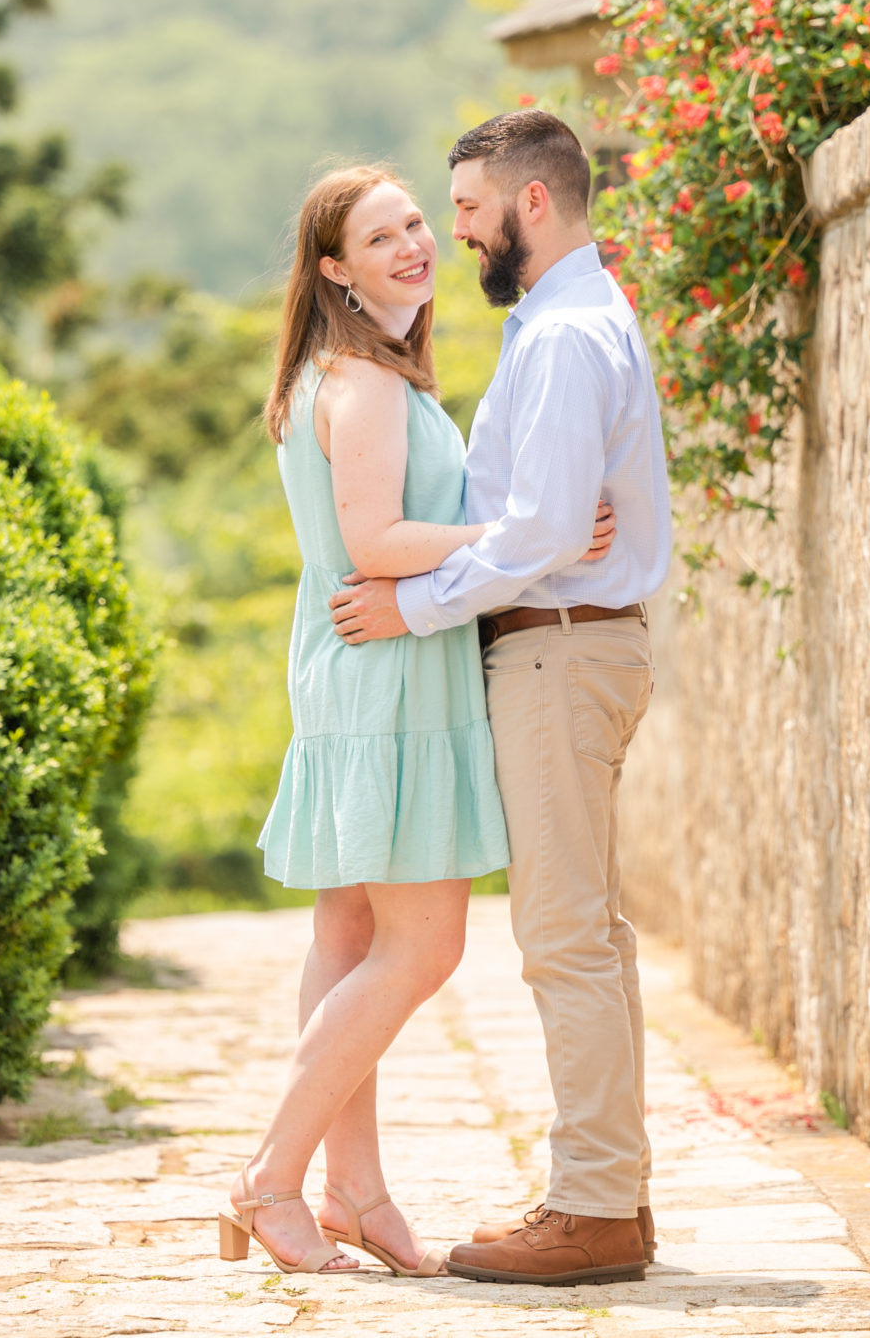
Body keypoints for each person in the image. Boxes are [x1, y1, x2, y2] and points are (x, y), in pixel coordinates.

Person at [216, 164, 616, 1278]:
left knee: (345, 936)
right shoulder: (370, 384)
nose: (410, 245)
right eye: (378, 235)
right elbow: (377, 540)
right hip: (389, 672)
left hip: (352, 666)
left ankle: (354, 1188)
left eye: (412, 225)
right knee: (422, 944)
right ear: (333, 267)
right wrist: (528, 532)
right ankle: (269, 1178)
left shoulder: (334, 375)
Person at [326, 109, 674, 1288]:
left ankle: (590, 1207)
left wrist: (411, 605)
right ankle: (610, 1189)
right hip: (567, 644)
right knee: (591, 933)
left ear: (530, 203)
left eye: (466, 208)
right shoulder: (558, 321)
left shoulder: (568, 335)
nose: (455, 232)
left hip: (560, 651)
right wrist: (515, 553)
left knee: (563, 936)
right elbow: (540, 527)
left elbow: (537, 533)